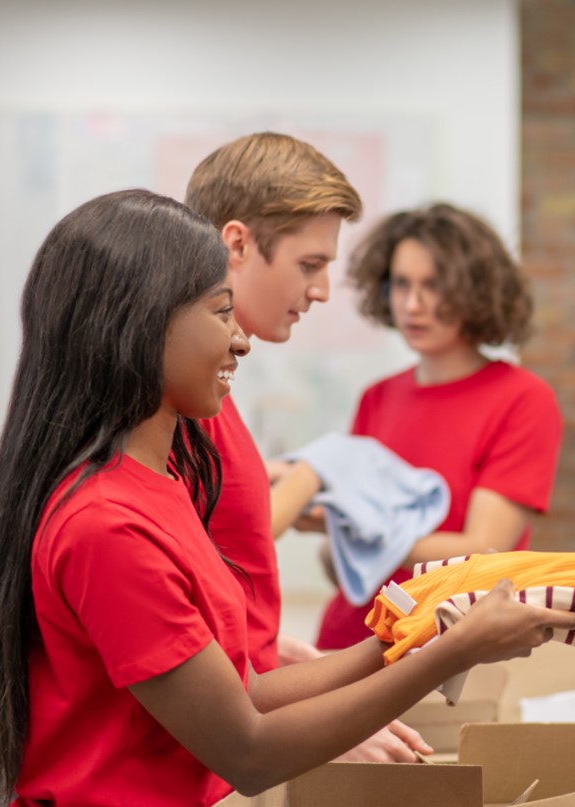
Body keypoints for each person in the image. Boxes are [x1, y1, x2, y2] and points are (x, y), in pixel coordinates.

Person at [0, 189, 575, 805]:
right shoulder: (106, 526)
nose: (241, 342)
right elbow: (247, 749)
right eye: (222, 313)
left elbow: (240, 690)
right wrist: (447, 651)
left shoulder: (161, 488)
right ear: (136, 327)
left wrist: (413, 636)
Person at [308, 202, 563, 651]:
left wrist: (364, 535)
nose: (412, 304)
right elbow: (346, 571)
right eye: (401, 284)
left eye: (434, 286)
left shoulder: (522, 399)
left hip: (441, 649)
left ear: (475, 290)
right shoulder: (377, 397)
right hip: (346, 645)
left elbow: (485, 551)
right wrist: (338, 537)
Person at [183, 132, 359, 673]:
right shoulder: (183, 398)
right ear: (236, 244)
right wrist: (312, 475)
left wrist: (262, 649)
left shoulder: (214, 393)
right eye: (309, 265)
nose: (324, 289)